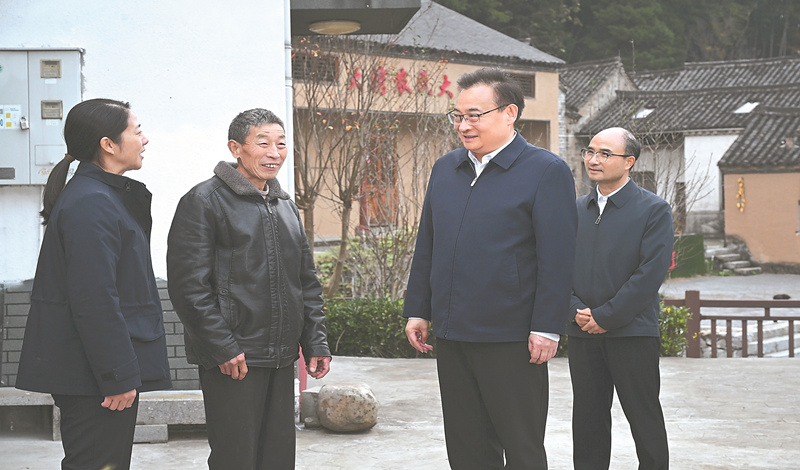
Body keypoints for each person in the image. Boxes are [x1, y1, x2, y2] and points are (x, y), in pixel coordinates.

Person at [403, 68, 577, 469]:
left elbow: (558, 257)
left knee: (521, 445)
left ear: (509, 113)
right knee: (466, 445)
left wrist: (547, 326)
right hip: (453, 331)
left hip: (511, 336)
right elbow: (428, 243)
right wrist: (419, 308)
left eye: (474, 115)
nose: (463, 125)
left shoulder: (545, 170)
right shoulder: (446, 168)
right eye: (458, 115)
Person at [167, 108, 331, 470]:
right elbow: (188, 288)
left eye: (281, 144)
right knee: (236, 458)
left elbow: (306, 280)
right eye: (263, 143)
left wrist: (315, 341)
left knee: (277, 458)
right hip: (234, 359)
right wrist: (222, 346)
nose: (275, 153)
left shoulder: (285, 206)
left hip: (281, 356)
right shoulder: (204, 201)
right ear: (236, 148)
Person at [16, 98, 172, 470]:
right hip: (94, 379)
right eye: (136, 131)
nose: (145, 140)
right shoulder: (92, 202)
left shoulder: (101, 196)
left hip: (95, 374)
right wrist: (116, 375)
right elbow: (94, 298)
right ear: (108, 144)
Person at [567, 127, 673, 469]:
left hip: (633, 332)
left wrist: (607, 316)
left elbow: (650, 273)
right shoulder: (574, 209)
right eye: (590, 151)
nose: (593, 160)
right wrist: (574, 310)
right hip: (582, 331)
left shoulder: (653, 209)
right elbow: (555, 265)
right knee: (587, 420)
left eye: (605, 154)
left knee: (644, 418)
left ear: (629, 162)